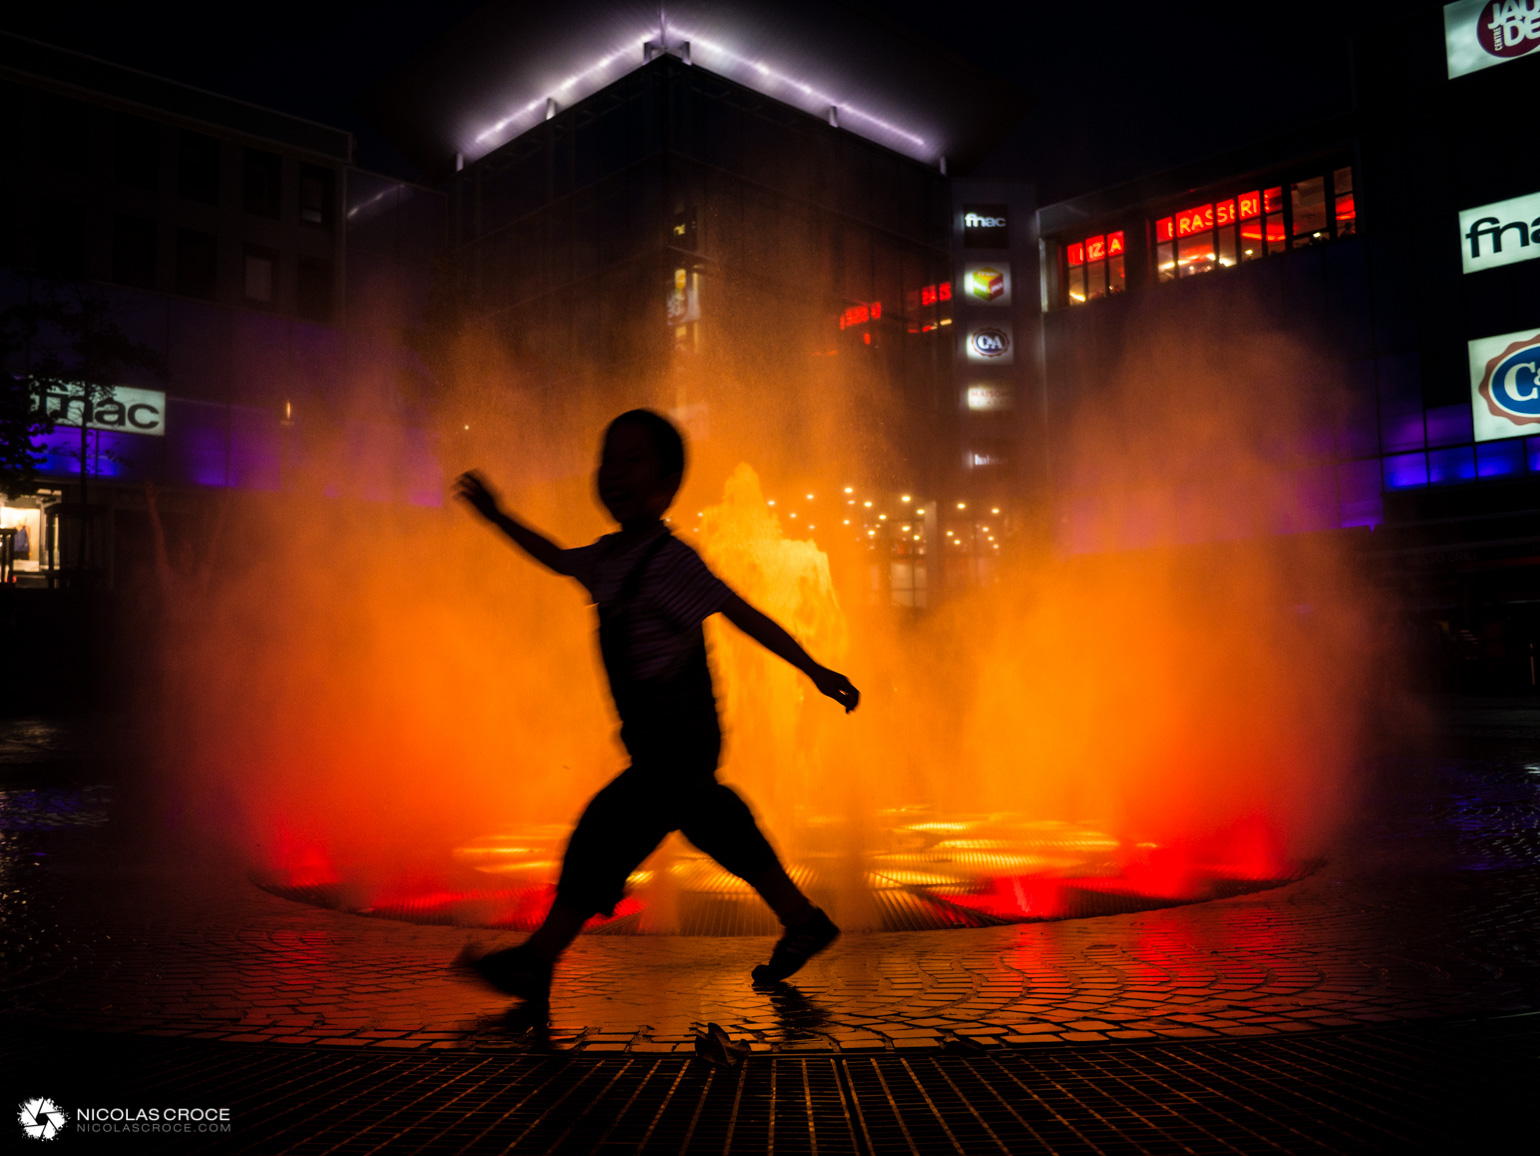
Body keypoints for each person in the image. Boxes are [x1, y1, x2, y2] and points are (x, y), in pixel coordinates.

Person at [452, 409, 859, 1007]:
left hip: (680, 734)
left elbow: (742, 614)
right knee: (713, 821)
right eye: (607, 460)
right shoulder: (607, 560)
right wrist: (497, 517)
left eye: (632, 460)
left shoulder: (673, 562)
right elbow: (556, 558)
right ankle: (802, 920)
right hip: (655, 742)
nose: (614, 472)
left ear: (668, 485)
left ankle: (538, 960)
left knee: (604, 833)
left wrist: (814, 669)